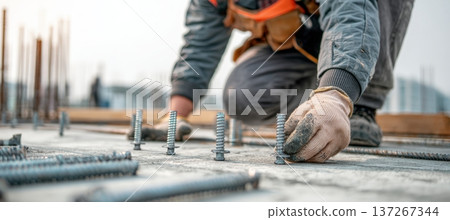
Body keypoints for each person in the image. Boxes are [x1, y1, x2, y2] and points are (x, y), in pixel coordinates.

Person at [129, 0, 414, 162]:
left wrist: (337, 95)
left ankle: (361, 105)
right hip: (300, 42)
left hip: (356, 24)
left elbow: (352, 14)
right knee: (240, 98)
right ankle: (313, 111)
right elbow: (200, 44)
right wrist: (175, 113)